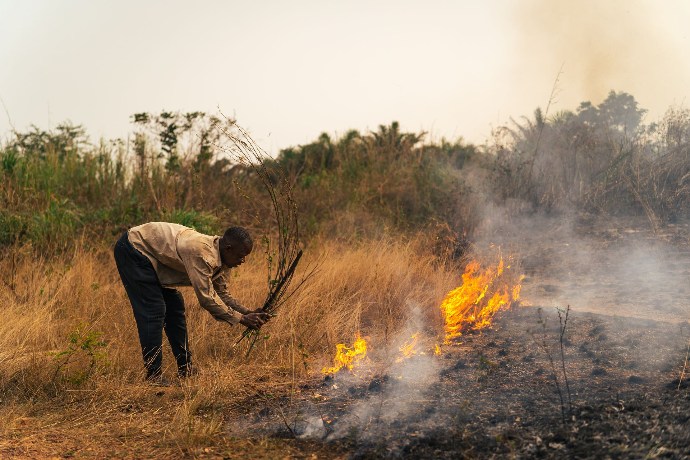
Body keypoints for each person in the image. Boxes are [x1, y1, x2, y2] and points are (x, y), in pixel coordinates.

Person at [113, 222, 269, 382]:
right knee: (154, 310)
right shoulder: (202, 254)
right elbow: (207, 298)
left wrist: (247, 312)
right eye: (240, 255)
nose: (243, 261)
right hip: (134, 248)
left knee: (175, 307)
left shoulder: (223, 258)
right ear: (228, 248)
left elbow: (222, 295)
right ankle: (153, 375)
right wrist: (242, 319)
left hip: (155, 258)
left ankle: (185, 368)